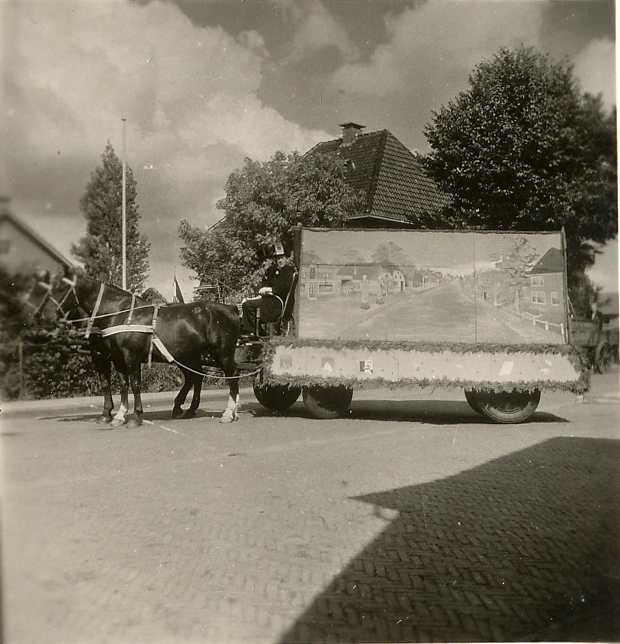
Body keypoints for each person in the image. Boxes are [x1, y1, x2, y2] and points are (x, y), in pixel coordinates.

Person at [241, 243, 296, 337]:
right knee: (247, 303)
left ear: (286, 259)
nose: (280, 261)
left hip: (276, 303)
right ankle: (256, 331)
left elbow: (285, 287)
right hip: (269, 301)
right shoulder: (274, 271)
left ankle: (252, 331)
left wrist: (270, 289)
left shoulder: (288, 271)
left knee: (248, 305)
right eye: (278, 258)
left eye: (282, 258)